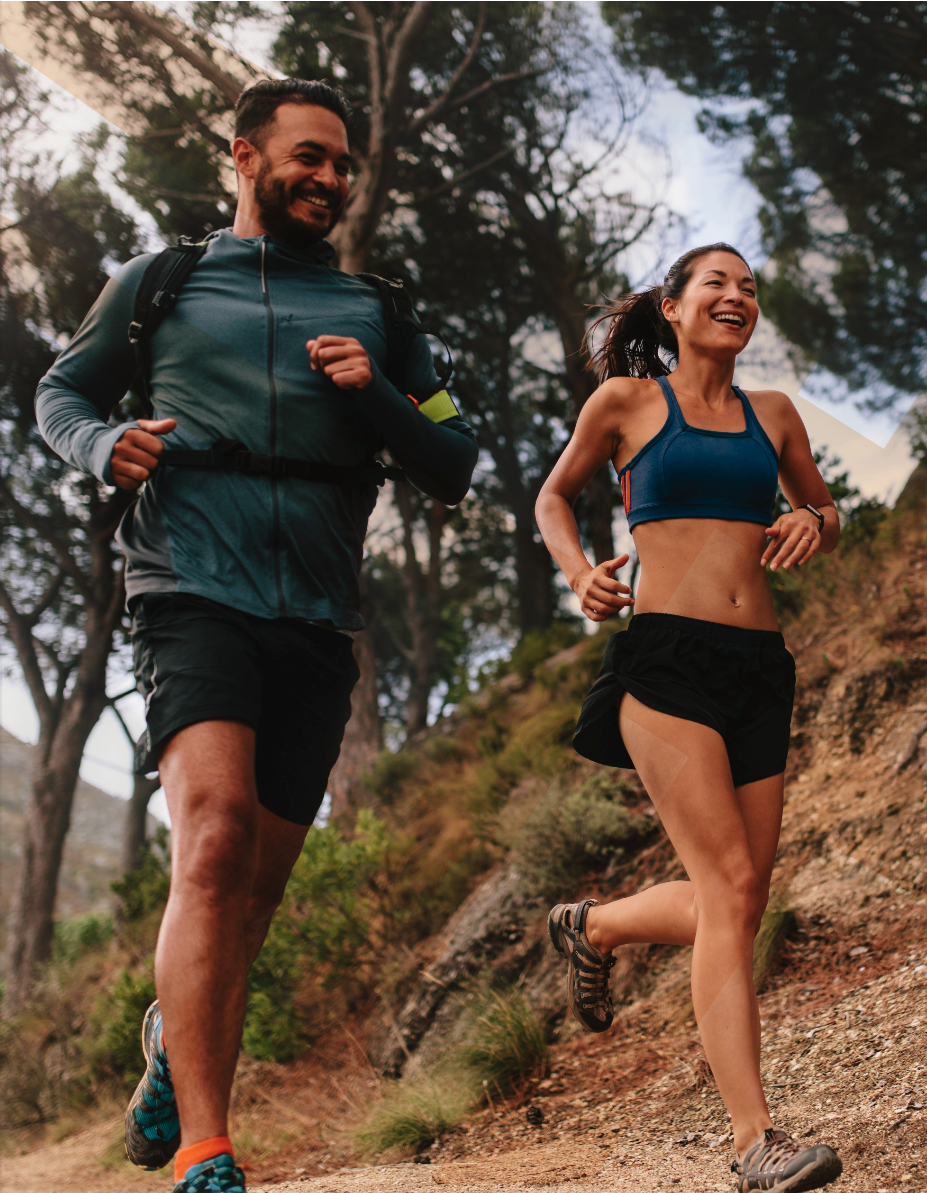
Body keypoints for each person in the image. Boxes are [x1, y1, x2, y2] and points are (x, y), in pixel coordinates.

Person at [35, 79, 479, 1193]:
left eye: (342, 163)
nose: (330, 177)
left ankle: (169, 1044)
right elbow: (61, 392)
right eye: (309, 156)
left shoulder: (381, 312)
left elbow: (453, 459)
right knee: (215, 841)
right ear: (244, 156)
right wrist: (101, 446)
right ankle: (207, 1146)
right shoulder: (162, 282)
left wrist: (376, 393)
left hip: (319, 613)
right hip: (189, 585)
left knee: (259, 893)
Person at [535, 244, 843, 1193]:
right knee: (730, 882)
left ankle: (596, 926)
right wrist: (579, 572)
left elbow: (824, 507)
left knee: (739, 900)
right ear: (672, 306)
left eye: (750, 288)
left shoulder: (774, 414)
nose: (738, 296)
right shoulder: (626, 403)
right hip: (665, 662)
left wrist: (814, 520)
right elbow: (553, 496)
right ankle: (756, 1142)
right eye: (719, 283)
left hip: (759, 668)